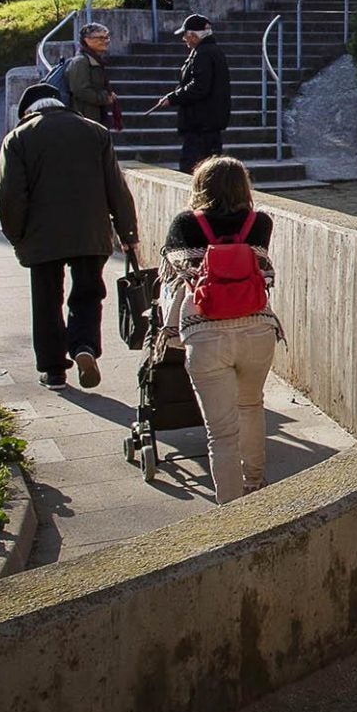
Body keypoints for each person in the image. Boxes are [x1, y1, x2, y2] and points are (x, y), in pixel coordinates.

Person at [0, 81, 141, 390]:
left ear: (27, 112)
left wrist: (16, 235)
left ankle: (54, 370)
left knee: (47, 300)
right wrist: (127, 231)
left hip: (42, 235)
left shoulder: (18, 139)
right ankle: (84, 345)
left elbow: (9, 196)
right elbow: (117, 187)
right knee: (88, 294)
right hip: (91, 231)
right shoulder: (95, 132)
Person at [160, 155, 280, 503]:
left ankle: (229, 509)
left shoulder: (184, 223)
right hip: (257, 328)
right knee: (251, 406)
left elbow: (172, 275)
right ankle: (255, 483)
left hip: (205, 332)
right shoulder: (260, 223)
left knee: (221, 432)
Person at [149, 13, 232, 172]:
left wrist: (173, 97)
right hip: (209, 122)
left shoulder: (203, 53)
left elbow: (199, 87)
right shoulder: (213, 51)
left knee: (192, 168)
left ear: (193, 36)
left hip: (200, 123)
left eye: (185, 35)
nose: (184, 40)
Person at [51, 22, 122, 132]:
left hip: (94, 119)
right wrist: (105, 98)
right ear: (87, 39)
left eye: (106, 37)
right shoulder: (81, 62)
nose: (105, 41)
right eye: (100, 38)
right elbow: (80, 90)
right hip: (83, 120)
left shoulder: (95, 61)